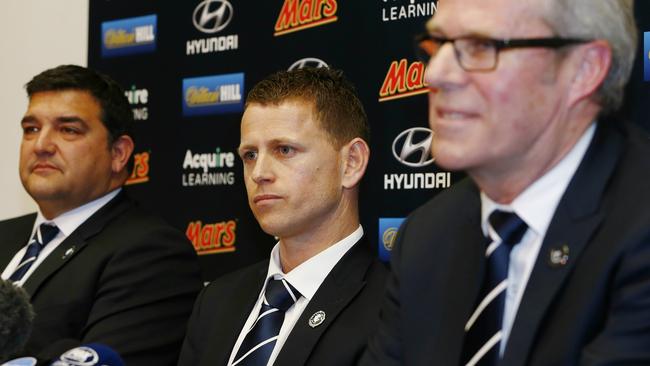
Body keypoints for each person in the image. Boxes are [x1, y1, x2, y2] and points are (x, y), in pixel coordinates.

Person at [362, 0, 650, 365]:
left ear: (583, 69)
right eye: (436, 45)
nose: (435, 73)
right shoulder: (426, 237)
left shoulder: (639, 223)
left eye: (481, 46)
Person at [178, 67, 387, 366]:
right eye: (250, 155)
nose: (259, 173)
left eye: (284, 150)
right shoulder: (216, 301)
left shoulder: (394, 310)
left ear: (351, 163)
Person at [0, 65, 202, 364]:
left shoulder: (152, 253)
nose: (41, 145)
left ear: (119, 153)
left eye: (68, 129)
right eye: (31, 129)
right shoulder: (5, 234)